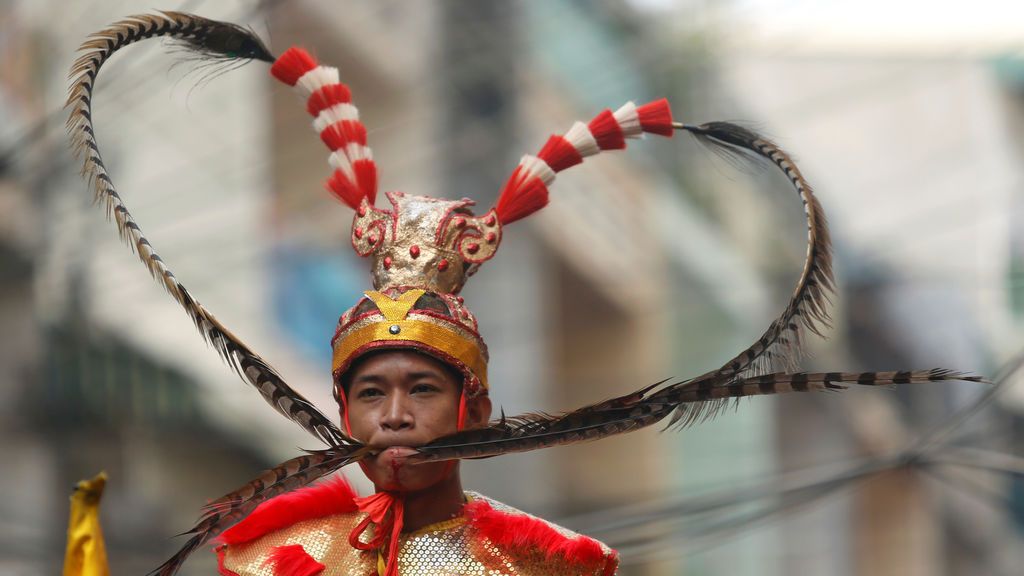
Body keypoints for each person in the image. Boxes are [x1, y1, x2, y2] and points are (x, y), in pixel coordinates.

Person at [67, 12, 979, 576]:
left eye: (420, 390)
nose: (391, 417)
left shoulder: (548, 566)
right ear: (336, 405)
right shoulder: (272, 557)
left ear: (477, 405)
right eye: (369, 394)